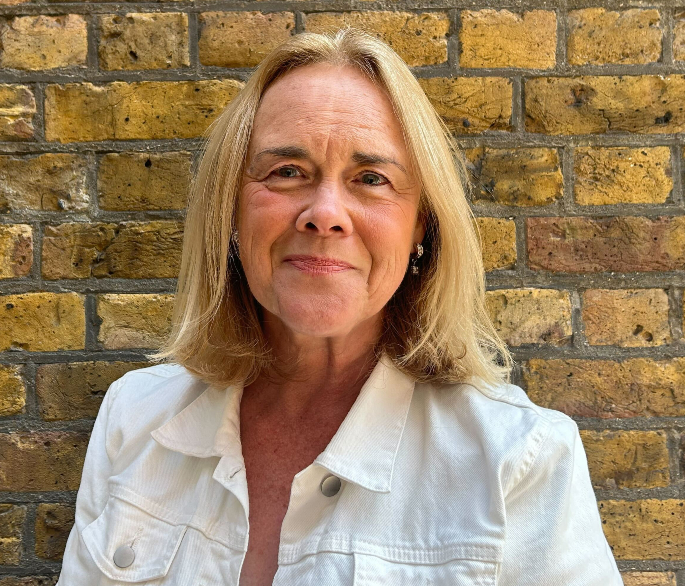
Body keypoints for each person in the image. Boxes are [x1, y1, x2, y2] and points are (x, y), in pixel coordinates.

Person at [57, 28, 623, 586]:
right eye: (286, 172)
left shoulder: (516, 462)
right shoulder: (136, 419)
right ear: (230, 210)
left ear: (420, 223)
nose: (325, 213)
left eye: (371, 178)